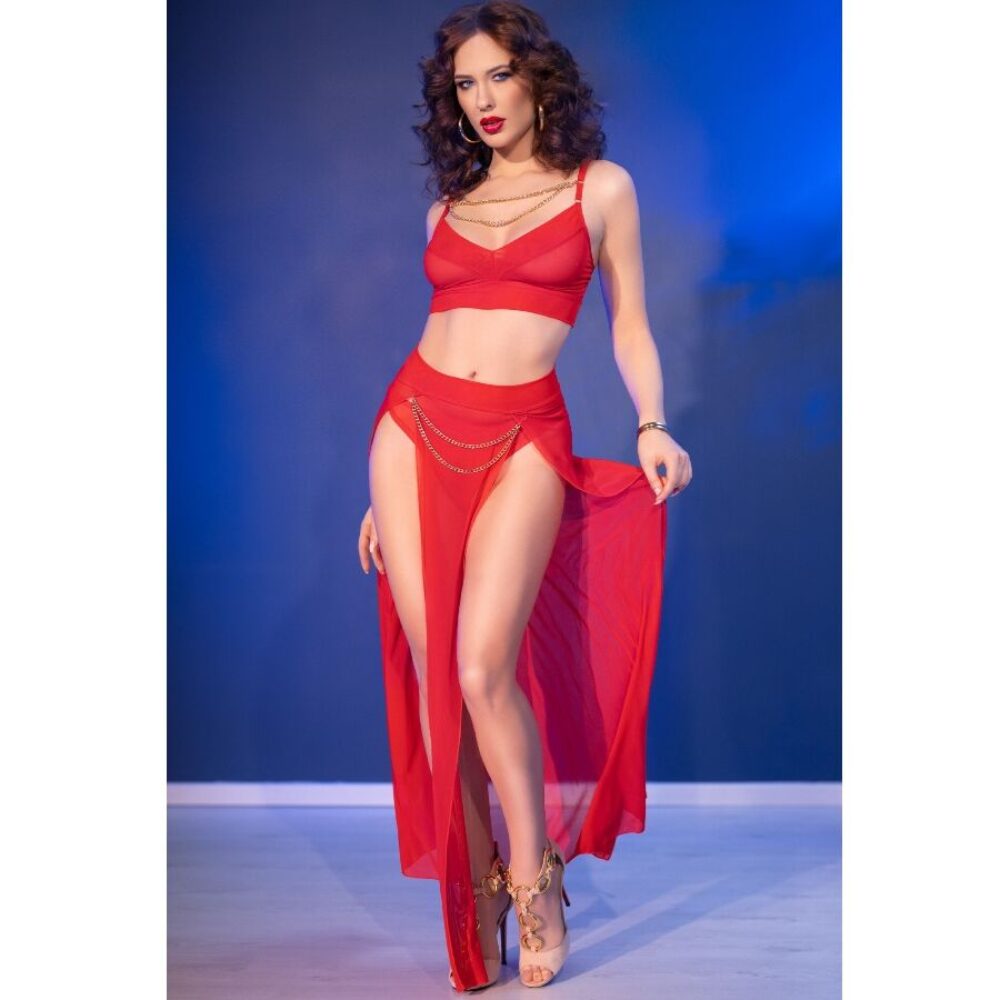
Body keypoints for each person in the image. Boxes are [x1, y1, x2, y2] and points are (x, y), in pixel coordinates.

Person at [357, 1, 692, 991]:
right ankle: (478, 890)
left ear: (539, 76)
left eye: (498, 75)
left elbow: (629, 324)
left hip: (522, 436)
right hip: (411, 429)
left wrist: (651, 421)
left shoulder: (600, 189)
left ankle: (534, 878)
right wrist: (388, 497)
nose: (483, 99)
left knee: (479, 668)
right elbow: (441, 332)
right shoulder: (447, 207)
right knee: (438, 682)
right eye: (465, 85)